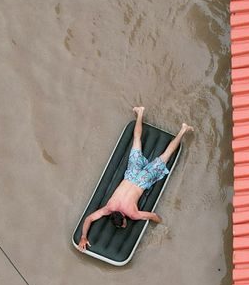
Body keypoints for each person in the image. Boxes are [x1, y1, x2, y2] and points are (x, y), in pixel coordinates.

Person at [77, 106, 193, 252]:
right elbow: (88, 219)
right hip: (130, 175)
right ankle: (140, 112)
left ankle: (183, 129)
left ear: (124, 218)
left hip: (143, 181)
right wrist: (83, 236)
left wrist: (161, 225)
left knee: (166, 155)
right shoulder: (108, 208)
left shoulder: (132, 213)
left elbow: (154, 216)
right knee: (136, 142)